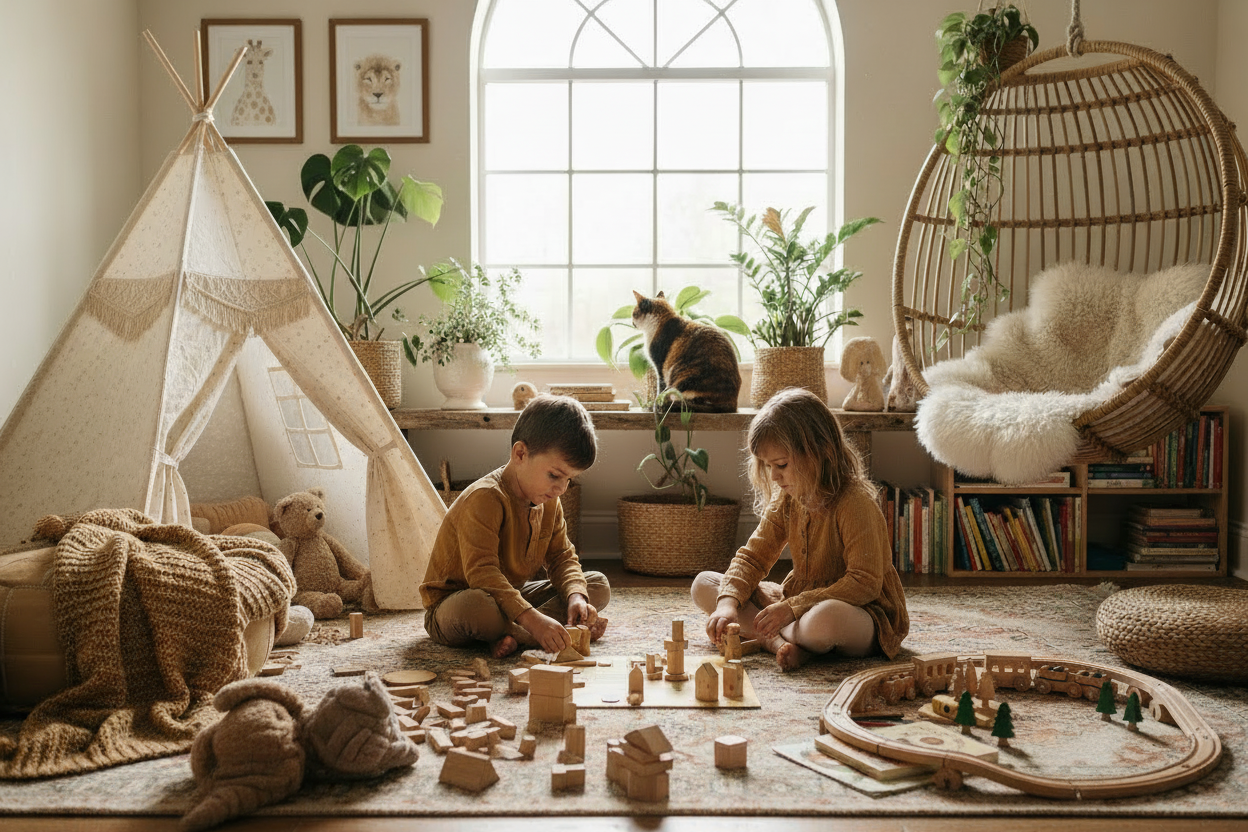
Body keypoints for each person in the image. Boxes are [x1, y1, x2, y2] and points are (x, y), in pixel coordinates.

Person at [691, 388, 909, 671]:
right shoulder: (788, 498)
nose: (774, 476)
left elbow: (864, 583)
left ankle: (780, 637)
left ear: (819, 452)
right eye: (768, 466)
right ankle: (781, 642)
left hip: (860, 612)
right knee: (705, 584)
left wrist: (791, 608)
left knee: (823, 621)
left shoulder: (855, 502)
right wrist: (727, 605)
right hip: (797, 608)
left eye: (781, 464)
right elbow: (753, 557)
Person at [420, 394, 610, 658]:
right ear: (520, 454)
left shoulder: (549, 499)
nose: (561, 488)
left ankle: (512, 634)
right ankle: (533, 633)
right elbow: (483, 575)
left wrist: (575, 596)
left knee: (596, 585)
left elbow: (561, 557)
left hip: (510, 597)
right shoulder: (484, 497)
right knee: (479, 607)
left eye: (569, 479)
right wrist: (533, 620)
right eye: (554, 475)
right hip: (458, 603)